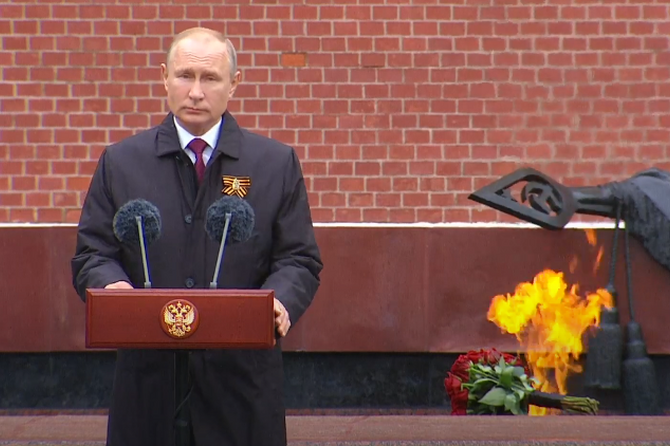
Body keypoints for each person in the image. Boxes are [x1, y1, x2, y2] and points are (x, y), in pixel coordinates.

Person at [71, 27, 323, 446]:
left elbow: (298, 258)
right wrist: (112, 288)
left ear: (234, 84)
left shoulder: (274, 164)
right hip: (148, 387)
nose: (195, 92)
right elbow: (92, 254)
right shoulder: (122, 162)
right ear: (164, 77)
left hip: (240, 389)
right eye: (185, 76)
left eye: (210, 78)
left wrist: (280, 301)